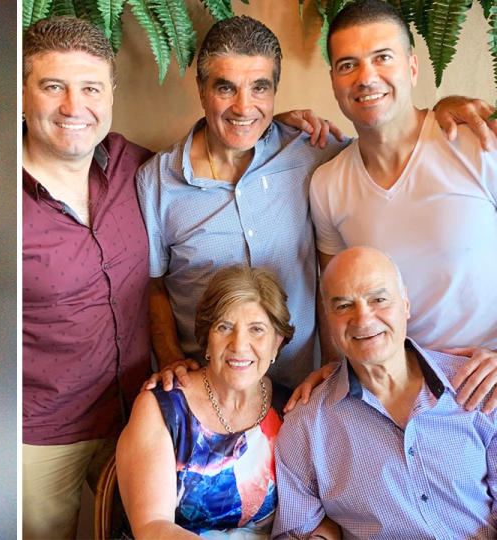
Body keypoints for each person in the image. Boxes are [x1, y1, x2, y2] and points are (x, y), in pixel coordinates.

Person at [139, 15, 497, 396]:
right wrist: (169, 357)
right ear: (202, 88)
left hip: (301, 388)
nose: (244, 106)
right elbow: (153, 285)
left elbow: (388, 130)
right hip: (207, 389)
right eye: (226, 88)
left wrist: (446, 106)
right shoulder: (156, 182)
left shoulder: (311, 152)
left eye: (259, 88)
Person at [309, 0, 497, 402]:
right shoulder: (326, 185)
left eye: (383, 57)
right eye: (348, 65)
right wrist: (332, 378)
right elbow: (334, 300)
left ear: (411, 67)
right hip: (401, 397)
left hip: (489, 382)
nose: (366, 77)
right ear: (333, 81)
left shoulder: (478, 142)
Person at [21, 16, 155, 539]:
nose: (75, 108)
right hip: (42, 435)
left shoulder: (135, 166)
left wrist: (282, 122)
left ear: (111, 95)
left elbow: (220, 148)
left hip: (137, 416)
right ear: (24, 93)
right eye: (54, 87)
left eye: (90, 88)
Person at [273, 246, 497, 539]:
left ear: (405, 303)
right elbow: (298, 530)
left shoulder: (479, 384)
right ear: (328, 317)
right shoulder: (306, 425)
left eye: (379, 299)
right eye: (343, 306)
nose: (363, 319)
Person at [118, 265, 339, 539]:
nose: (239, 344)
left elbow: (323, 520)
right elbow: (152, 527)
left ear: (276, 343)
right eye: (225, 327)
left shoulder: (292, 409)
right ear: (207, 340)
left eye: (257, 329)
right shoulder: (163, 408)